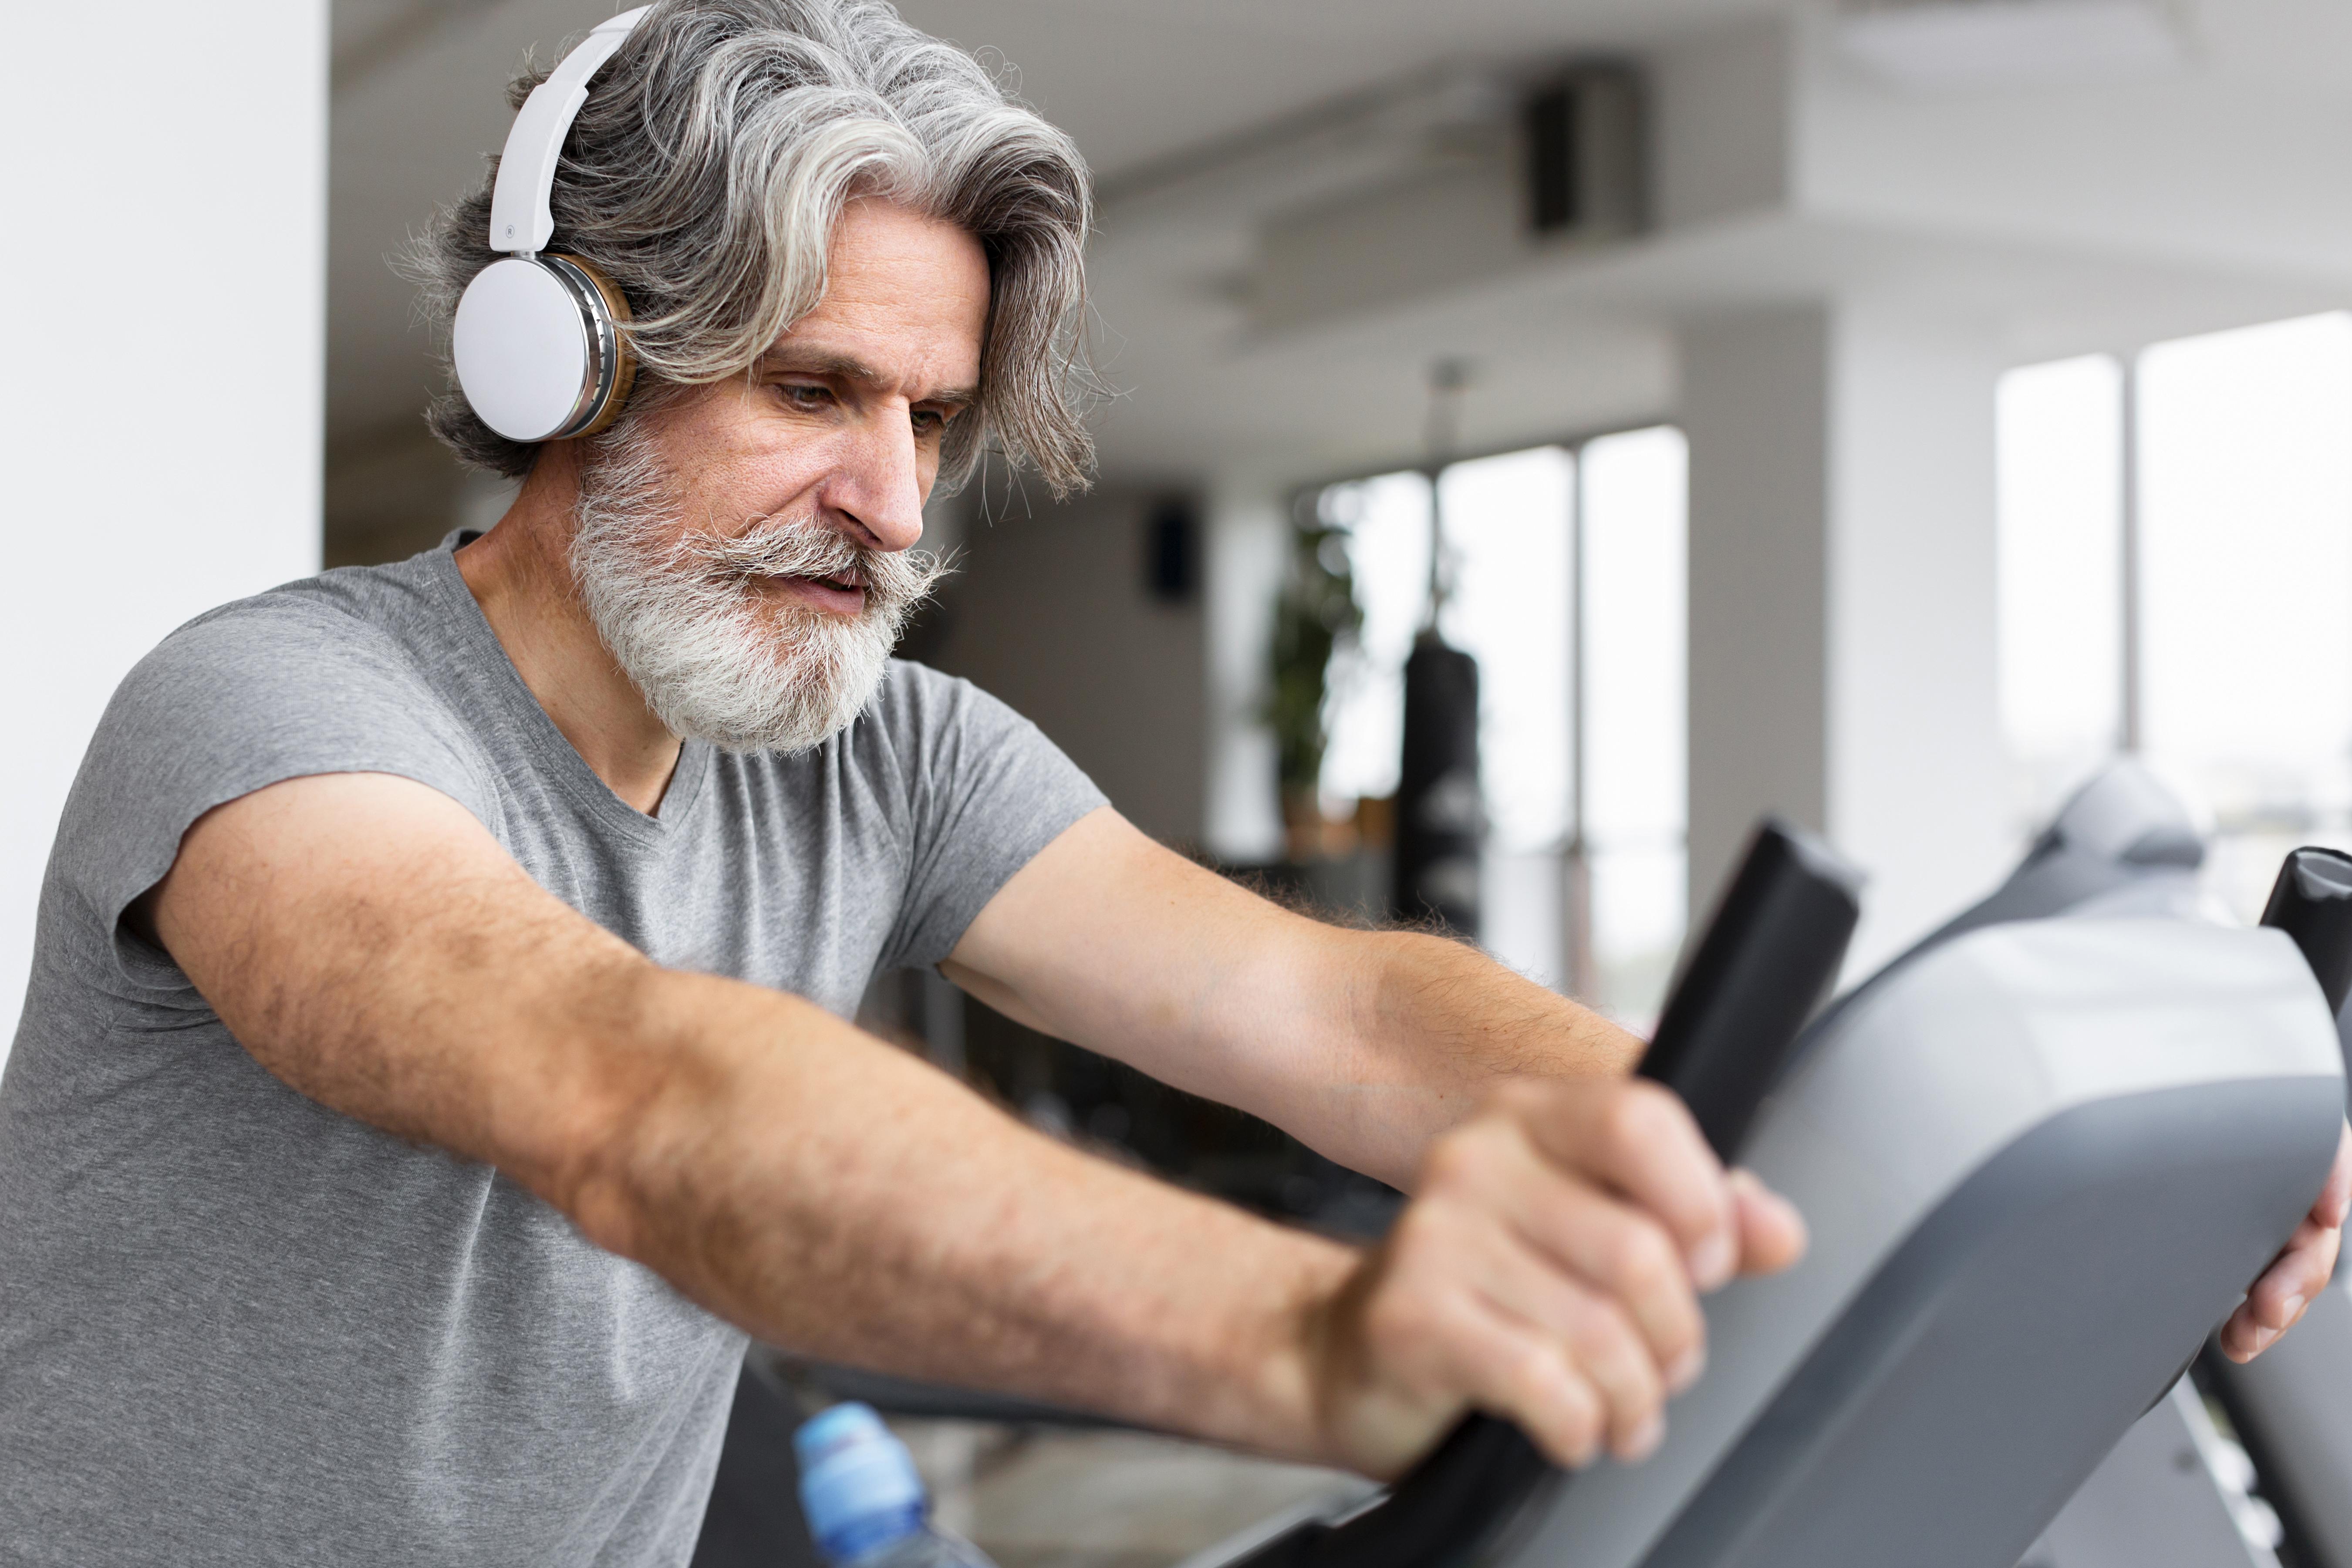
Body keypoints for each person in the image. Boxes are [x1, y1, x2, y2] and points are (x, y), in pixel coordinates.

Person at [1, 2, 2340, 1563]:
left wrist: (1805, 1177)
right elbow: (631, 1095)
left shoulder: (881, 755)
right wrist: (1312, 1343)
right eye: (814, 392)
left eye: (924, 418)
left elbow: (1331, 1017)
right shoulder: (270, 719)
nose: (897, 508)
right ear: (563, 364)